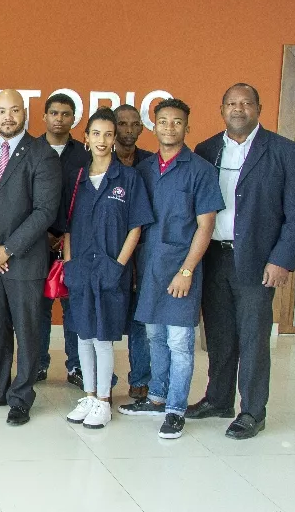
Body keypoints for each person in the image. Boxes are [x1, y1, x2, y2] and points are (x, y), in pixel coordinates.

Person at [189, 83, 295, 439]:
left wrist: (282, 260)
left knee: (254, 338)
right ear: (221, 108)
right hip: (214, 258)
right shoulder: (206, 149)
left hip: (259, 262)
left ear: (258, 108)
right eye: (231, 103)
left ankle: (253, 411)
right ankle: (218, 398)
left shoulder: (284, 151)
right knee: (220, 334)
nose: (238, 109)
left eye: (245, 103)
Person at [117, 99, 224, 440]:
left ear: (186, 128)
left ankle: (176, 409)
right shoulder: (143, 170)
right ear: (154, 126)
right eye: (163, 122)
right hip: (149, 268)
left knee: (179, 341)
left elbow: (206, 226)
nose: (169, 128)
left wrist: (188, 270)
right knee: (154, 337)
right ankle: (157, 397)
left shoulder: (200, 170)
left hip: (182, 269)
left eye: (176, 123)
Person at [0, 89, 61, 426]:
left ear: (25, 113)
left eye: (14, 110)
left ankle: (21, 397)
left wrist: (8, 249)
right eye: (2, 111)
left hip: (24, 261)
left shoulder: (42, 153)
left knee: (27, 330)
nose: (8, 117)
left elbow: (44, 211)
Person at [61, 108, 152, 430]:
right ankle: (88, 395)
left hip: (111, 270)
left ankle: (103, 399)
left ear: (115, 139)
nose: (102, 140)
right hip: (81, 269)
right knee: (83, 334)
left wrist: (119, 265)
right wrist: (69, 265)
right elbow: (68, 227)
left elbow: (136, 227)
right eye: (96, 134)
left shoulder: (128, 178)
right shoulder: (76, 179)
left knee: (103, 338)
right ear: (85, 138)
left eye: (108, 134)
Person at [38, 93, 91, 386]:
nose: (59, 119)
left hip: (74, 242)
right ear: (44, 117)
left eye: (66, 114)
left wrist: (67, 236)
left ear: (74, 119)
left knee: (73, 306)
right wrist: (43, 234)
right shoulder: (31, 151)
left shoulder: (84, 155)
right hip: (36, 241)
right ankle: (38, 364)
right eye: (54, 113)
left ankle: (76, 366)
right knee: (39, 306)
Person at [114, 104, 157, 400]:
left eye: (134, 124)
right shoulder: (99, 163)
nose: (128, 130)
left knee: (141, 318)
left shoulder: (151, 164)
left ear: (142, 128)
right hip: (107, 250)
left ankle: (140, 377)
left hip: (143, 252)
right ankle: (99, 380)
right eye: (122, 124)